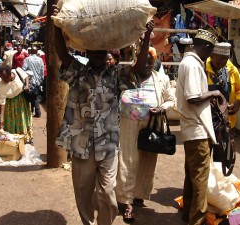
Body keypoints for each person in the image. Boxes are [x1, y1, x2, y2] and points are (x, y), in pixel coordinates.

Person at [53, 4, 155, 225]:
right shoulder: (78, 72)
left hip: (108, 145)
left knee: (108, 194)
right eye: (94, 51)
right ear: (87, 52)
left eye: (103, 52)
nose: (99, 56)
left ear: (108, 53)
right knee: (83, 192)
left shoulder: (117, 75)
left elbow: (138, 68)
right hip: (82, 145)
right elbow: (62, 53)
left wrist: (146, 36)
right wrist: (55, 25)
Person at [115, 48, 175, 221]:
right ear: (137, 60)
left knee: (147, 161)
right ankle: (126, 201)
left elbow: (171, 99)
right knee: (127, 159)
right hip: (128, 124)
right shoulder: (128, 75)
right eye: (144, 61)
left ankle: (138, 194)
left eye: (151, 61)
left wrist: (162, 108)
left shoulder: (162, 79)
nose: (148, 65)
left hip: (151, 124)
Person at [176, 29, 223, 225]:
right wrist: (215, 94)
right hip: (197, 129)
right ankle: (197, 220)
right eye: (211, 50)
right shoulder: (193, 65)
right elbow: (193, 97)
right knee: (200, 180)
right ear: (205, 47)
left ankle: (188, 214)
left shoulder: (187, 63)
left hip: (191, 128)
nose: (211, 55)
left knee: (192, 176)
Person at [205, 42, 240, 162]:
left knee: (223, 161)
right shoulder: (202, 68)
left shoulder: (231, 69)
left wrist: (238, 102)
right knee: (204, 162)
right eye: (218, 62)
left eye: (224, 62)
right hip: (206, 125)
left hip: (225, 125)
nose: (220, 65)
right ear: (212, 55)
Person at [0, 64, 32, 142]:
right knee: (11, 123)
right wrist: (1, 118)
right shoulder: (2, 85)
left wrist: (26, 85)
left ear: (10, 74)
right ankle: (13, 140)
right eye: (2, 78)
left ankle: (25, 139)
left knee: (22, 120)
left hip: (21, 101)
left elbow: (26, 77)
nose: (4, 80)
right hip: (9, 105)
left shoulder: (17, 71)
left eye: (6, 77)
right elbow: (2, 102)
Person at [22, 46, 44, 118]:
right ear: (37, 52)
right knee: (35, 96)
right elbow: (42, 71)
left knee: (28, 97)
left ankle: (31, 112)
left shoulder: (27, 59)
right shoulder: (40, 60)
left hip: (29, 81)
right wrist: (41, 80)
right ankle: (36, 111)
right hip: (37, 81)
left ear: (31, 51)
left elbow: (23, 70)